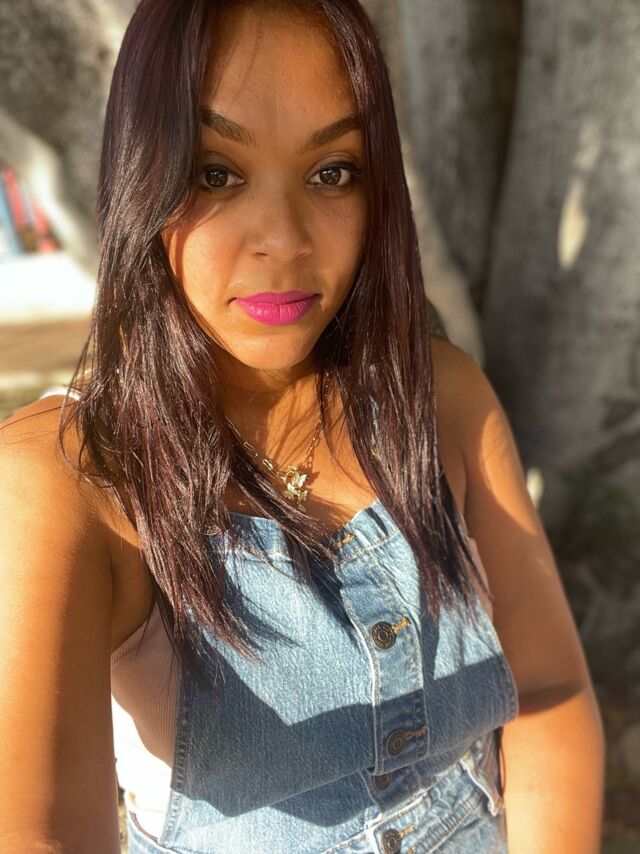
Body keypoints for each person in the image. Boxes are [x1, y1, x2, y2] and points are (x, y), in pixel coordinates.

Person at [0, 0, 605, 852]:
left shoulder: (440, 399)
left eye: (332, 172)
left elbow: (545, 692)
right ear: (142, 177)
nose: (284, 240)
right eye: (216, 173)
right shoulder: (64, 483)